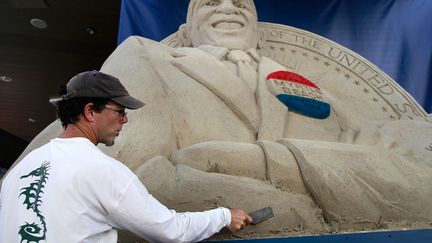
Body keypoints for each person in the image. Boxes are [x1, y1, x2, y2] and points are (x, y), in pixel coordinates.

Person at [5, 0, 432, 238]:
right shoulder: (150, 56)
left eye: (241, 4)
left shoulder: (306, 83)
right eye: (210, 3)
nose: (229, 7)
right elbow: (151, 184)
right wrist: (225, 207)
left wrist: (265, 163)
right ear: (187, 30)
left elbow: (395, 144)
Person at [0, 70, 252, 243]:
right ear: (89, 111)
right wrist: (224, 216)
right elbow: (169, 230)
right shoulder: (101, 170)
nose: (125, 118)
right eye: (119, 110)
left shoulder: (22, 168)